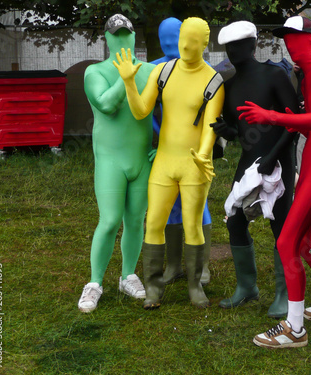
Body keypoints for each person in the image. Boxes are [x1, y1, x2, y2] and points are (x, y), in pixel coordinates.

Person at [237, 16, 311, 348]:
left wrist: (270, 116)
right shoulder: (307, 75)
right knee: (301, 243)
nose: (289, 43)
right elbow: (308, 123)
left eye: (294, 37)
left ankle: (295, 328)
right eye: (285, 38)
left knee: (286, 243)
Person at [114, 17, 224, 309]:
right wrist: (128, 82)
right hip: (164, 160)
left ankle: (195, 284)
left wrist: (203, 154)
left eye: (193, 41)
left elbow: (211, 126)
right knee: (154, 222)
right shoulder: (162, 72)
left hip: (194, 164)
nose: (186, 46)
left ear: (204, 44)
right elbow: (141, 112)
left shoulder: (213, 80)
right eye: (182, 40)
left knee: (193, 224)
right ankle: (152, 287)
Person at [213, 21, 298, 318]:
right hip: (250, 160)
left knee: (281, 226)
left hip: (279, 159)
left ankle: (284, 294)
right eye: (229, 47)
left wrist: (272, 157)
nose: (233, 51)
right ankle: (247, 288)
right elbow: (240, 129)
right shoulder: (230, 85)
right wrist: (229, 130)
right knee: (234, 219)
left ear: (253, 45)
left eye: (240, 45)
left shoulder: (275, 75)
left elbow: (294, 124)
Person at [78, 14, 154, 312]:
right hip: (110, 160)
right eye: (116, 34)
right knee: (109, 221)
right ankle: (94, 282)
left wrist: (166, 146)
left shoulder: (151, 70)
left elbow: (172, 110)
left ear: (134, 37)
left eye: (126, 34)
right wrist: (126, 78)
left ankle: (128, 275)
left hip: (141, 159)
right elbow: (107, 105)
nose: (122, 39)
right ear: (107, 39)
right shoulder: (93, 72)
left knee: (136, 221)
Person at [150, 17, 213, 286]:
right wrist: (156, 139)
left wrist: (205, 149)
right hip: (166, 149)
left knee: (198, 205)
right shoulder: (155, 68)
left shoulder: (204, 70)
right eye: (163, 42)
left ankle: (202, 265)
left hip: (197, 149)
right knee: (169, 205)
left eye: (172, 40)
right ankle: (174, 265)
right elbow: (144, 110)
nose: (170, 47)